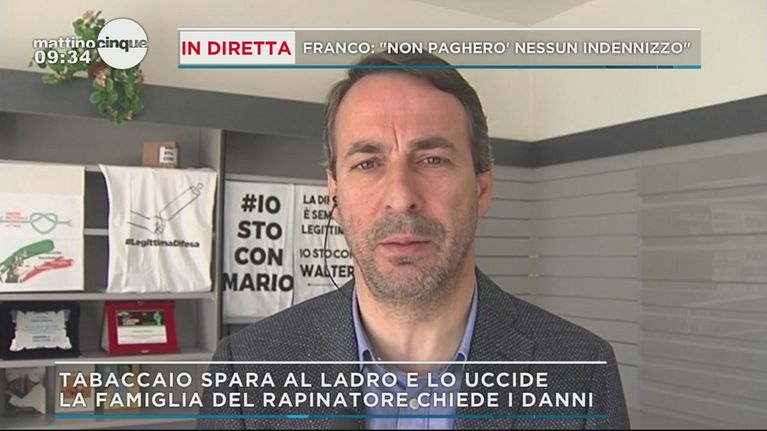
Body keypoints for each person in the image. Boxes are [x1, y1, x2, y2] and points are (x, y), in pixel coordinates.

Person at [199, 53, 630, 430]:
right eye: (368, 163)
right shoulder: (245, 370)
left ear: (482, 188)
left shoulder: (581, 371)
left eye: (432, 159)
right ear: (334, 194)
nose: (401, 196)